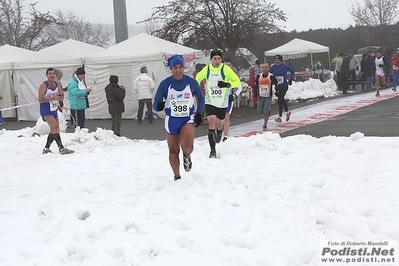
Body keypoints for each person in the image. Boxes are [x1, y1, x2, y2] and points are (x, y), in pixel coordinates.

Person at [153, 54, 205, 181]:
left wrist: (199, 113)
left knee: (187, 147)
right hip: (171, 120)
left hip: (187, 118)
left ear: (184, 68)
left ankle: (187, 154)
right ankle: (177, 176)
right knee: (173, 152)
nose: (178, 70)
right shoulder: (165, 84)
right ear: (171, 69)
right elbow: (155, 104)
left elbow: (201, 98)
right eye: (175, 67)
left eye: (180, 67)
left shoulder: (191, 82)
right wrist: (158, 106)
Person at [195, 49, 241, 158]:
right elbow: (197, 78)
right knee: (211, 124)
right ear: (211, 59)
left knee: (220, 124)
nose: (217, 61)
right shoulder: (207, 70)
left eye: (219, 58)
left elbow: (237, 82)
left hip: (222, 102)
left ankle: (220, 131)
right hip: (210, 100)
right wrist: (197, 90)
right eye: (215, 58)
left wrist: (227, 84)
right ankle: (212, 150)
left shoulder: (225, 70)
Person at [38, 67, 73, 155]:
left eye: (53, 73)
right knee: (54, 127)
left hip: (53, 108)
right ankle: (61, 148)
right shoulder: (44, 85)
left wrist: (61, 96)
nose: (52, 75)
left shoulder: (57, 84)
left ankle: (46, 148)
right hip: (45, 109)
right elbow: (40, 99)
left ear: (55, 75)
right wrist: (54, 98)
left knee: (56, 128)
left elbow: (60, 96)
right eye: (50, 74)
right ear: (47, 75)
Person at [221, 58, 242, 142]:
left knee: (226, 117)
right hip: (218, 99)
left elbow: (239, 87)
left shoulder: (233, 76)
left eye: (229, 65)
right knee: (218, 117)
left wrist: (234, 95)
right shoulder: (219, 74)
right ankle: (219, 131)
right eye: (225, 65)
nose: (227, 67)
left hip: (229, 98)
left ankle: (225, 135)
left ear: (231, 66)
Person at [269, 54, 295, 123]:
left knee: (280, 99)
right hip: (277, 86)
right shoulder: (273, 67)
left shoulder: (285, 66)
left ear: (281, 61)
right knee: (280, 101)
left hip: (284, 85)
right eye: (275, 60)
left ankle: (280, 117)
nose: (276, 62)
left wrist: (291, 79)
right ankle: (287, 112)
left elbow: (292, 71)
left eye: (278, 60)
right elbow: (269, 74)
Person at [255, 62, 278, 130]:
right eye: (263, 67)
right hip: (261, 96)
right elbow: (256, 85)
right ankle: (268, 110)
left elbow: (276, 83)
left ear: (268, 68)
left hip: (268, 96)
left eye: (265, 67)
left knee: (265, 112)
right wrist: (255, 94)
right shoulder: (259, 76)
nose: (264, 69)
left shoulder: (271, 76)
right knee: (259, 112)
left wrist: (277, 91)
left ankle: (265, 124)